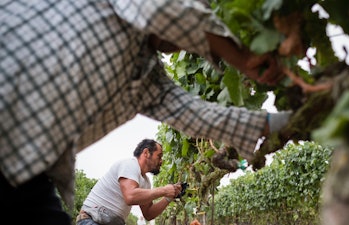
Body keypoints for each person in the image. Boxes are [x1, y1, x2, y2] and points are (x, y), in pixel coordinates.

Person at [1, 0, 291, 224]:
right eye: (160, 155)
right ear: (144, 154)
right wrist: (242, 56)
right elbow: (167, 10)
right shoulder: (124, 5)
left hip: (24, 170)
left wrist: (287, 121)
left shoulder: (149, 82)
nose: (184, 43)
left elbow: (205, 118)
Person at [75, 139, 179, 225]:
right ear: (146, 153)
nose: (161, 161)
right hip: (91, 220)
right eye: (159, 156)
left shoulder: (146, 183)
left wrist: (168, 198)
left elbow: (148, 213)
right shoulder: (130, 164)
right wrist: (164, 190)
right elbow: (130, 196)